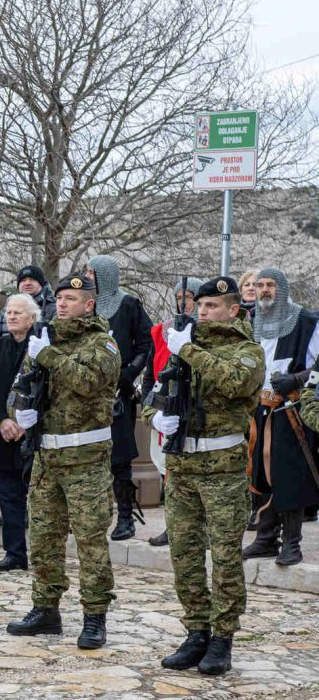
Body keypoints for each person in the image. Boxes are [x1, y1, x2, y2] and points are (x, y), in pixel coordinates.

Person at [148, 276, 263, 676]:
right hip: (181, 467)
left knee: (226, 555)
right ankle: (196, 630)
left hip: (223, 470)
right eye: (200, 306)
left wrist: (189, 350)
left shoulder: (247, 350)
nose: (203, 312)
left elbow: (236, 382)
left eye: (212, 306)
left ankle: (223, 637)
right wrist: (158, 415)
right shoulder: (182, 348)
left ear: (234, 309)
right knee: (185, 553)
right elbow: (155, 394)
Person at [6, 273, 120, 649]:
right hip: (47, 458)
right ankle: (46, 608)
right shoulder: (45, 340)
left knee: (89, 541)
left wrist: (48, 355)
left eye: (72, 298)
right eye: (60, 298)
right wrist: (18, 410)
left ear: (89, 304)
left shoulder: (102, 343)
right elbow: (19, 386)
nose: (63, 304)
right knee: (43, 539)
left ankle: (95, 616)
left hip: (85, 459)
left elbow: (88, 382)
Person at [242, 268, 319, 565]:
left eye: (270, 285)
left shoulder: (305, 322)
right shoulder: (254, 323)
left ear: (282, 288)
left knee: (289, 476)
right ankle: (264, 538)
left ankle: (291, 543)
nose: (263, 290)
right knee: (260, 475)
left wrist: (298, 380)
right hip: (260, 408)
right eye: (260, 285)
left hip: (291, 410)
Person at [85, 255, 154, 541]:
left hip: (118, 394)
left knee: (119, 459)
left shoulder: (127, 305)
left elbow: (146, 342)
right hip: (86, 393)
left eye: (92, 273)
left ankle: (125, 517)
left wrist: (129, 373)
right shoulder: (83, 306)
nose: (88, 277)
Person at [0, 294, 39, 572]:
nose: (12, 316)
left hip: (34, 434)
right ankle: (14, 553)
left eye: (18, 312)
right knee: (8, 494)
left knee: (37, 496)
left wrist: (24, 423)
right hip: (4, 434)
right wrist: (3, 420)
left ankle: (41, 554)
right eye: (9, 312)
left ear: (32, 318)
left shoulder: (42, 347)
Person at [143, 279, 202, 548]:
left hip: (193, 412)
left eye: (189, 296)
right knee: (165, 468)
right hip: (164, 408)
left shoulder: (204, 332)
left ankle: (202, 528)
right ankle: (172, 525)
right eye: (179, 296)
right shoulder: (160, 331)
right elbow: (150, 372)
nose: (183, 302)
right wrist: (152, 406)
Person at [0, 266, 56, 340]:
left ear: (41, 284)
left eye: (32, 279)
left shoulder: (53, 308)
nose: (27, 283)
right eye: (23, 280)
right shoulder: (9, 306)